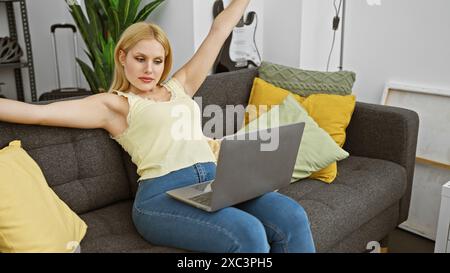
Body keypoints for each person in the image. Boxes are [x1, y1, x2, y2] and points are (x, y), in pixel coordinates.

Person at [0, 0, 315, 253]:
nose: (149, 69)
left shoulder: (181, 86)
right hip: (161, 197)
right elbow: (36, 113)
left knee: (292, 216)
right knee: (248, 233)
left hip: (216, 183)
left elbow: (220, 29)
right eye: (140, 58)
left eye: (158, 60)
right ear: (122, 57)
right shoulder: (115, 105)